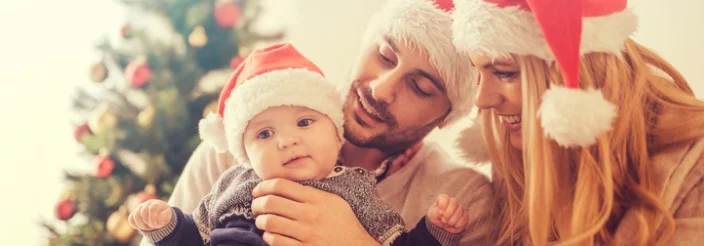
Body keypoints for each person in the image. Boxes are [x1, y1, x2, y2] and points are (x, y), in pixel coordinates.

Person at [160, 0, 497, 245]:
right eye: (384, 56)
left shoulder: (460, 198)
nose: (381, 89)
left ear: (446, 116)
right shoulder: (240, 144)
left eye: (419, 88)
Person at [452, 0, 704, 245]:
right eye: (477, 71)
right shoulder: (516, 153)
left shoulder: (694, 168)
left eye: (504, 72)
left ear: (579, 70)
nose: (481, 100)